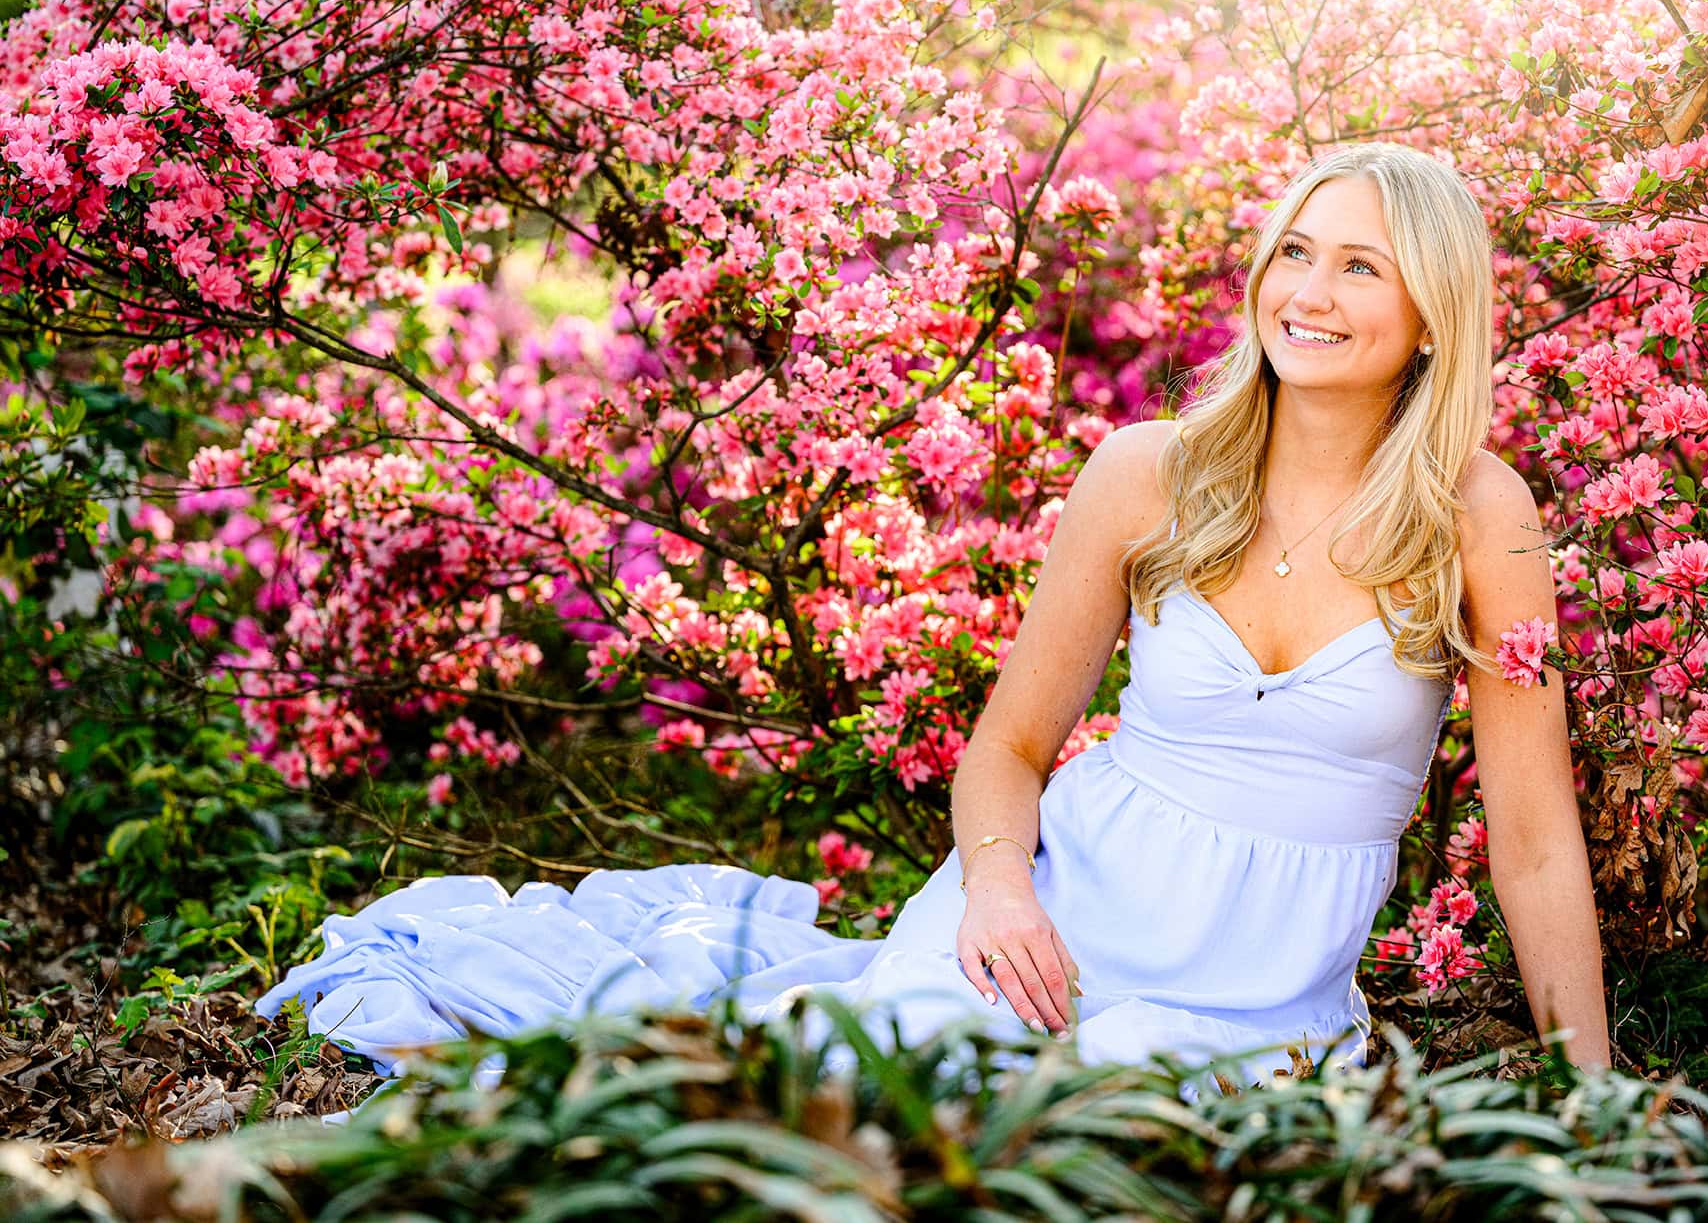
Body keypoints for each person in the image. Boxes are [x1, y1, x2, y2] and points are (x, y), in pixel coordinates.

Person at [257, 143, 1613, 1096]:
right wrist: (1002, 890)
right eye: (1294, 254)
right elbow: (1010, 746)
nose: (1308, 296)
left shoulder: (1478, 517)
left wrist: (1593, 1098)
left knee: (1110, 1149)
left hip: (1254, 998)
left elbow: (1538, 843)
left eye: (1361, 268)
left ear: (1436, 312)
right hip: (1048, 917)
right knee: (836, 1110)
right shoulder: (1148, 473)